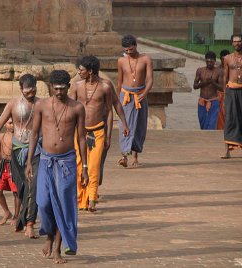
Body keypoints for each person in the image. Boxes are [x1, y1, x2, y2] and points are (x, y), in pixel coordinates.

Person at [25, 70, 89, 264]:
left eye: (63, 88)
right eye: (56, 88)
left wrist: (85, 166)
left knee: (63, 205)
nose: (59, 92)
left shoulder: (77, 107)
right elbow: (34, 134)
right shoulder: (41, 106)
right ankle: (50, 237)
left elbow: (82, 137)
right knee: (43, 203)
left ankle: (58, 249)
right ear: (51, 87)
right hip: (45, 160)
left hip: (67, 162)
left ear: (68, 87)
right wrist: (29, 161)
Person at [0, 74, 40, 238]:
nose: (31, 93)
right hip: (16, 150)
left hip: (35, 150)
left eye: (33, 89)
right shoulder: (13, 104)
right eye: (28, 90)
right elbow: (0, 123)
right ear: (21, 89)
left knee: (33, 185)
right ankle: (20, 217)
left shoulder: (41, 104)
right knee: (20, 188)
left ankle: (30, 224)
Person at [70, 55, 129, 212]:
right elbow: (69, 109)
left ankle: (92, 199)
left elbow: (110, 111)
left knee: (94, 167)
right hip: (79, 132)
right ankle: (80, 200)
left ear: (90, 71)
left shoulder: (105, 86)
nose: (79, 72)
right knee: (79, 166)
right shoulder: (76, 86)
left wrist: (109, 135)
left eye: (81, 70)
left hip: (97, 132)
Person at [117, 34, 153, 167]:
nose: (128, 52)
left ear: (136, 46)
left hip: (140, 94)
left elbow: (150, 79)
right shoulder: (121, 61)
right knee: (125, 124)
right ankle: (124, 156)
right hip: (125, 96)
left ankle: (135, 156)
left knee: (138, 125)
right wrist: (117, 100)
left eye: (131, 50)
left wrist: (145, 92)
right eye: (126, 50)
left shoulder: (145, 59)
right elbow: (119, 81)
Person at [0, 118, 21, 225]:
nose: (12, 125)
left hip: (15, 167)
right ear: (5, 124)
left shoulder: (19, 137)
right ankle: (7, 212)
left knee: (16, 192)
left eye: (14, 123)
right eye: (10, 123)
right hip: (3, 166)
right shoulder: (1, 136)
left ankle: (16, 216)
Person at [221, 34, 242, 159]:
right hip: (231, 90)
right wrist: (225, 93)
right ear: (231, 43)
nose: (237, 44)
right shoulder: (227, 58)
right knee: (230, 120)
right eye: (235, 41)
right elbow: (225, 76)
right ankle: (226, 151)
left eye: (239, 41)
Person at [193, 51, 223, 130]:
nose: (209, 63)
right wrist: (204, 83)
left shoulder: (219, 71)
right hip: (202, 101)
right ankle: (204, 140)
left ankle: (211, 141)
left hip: (214, 101)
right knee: (202, 124)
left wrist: (213, 82)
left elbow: (222, 88)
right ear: (205, 61)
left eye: (211, 62)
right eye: (207, 61)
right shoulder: (200, 70)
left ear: (215, 61)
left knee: (212, 125)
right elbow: (195, 86)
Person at [217, 49, 230, 130]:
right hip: (218, 95)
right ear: (220, 59)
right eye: (223, 59)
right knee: (218, 116)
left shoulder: (232, 69)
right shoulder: (217, 69)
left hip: (229, 94)